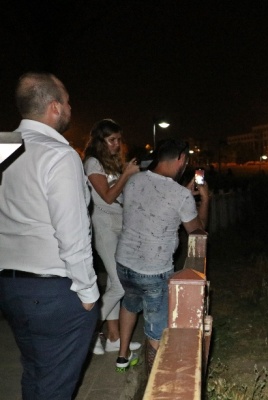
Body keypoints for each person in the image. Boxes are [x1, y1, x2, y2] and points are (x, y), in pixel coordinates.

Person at [0, 72, 100, 399]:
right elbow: (72, 231)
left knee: (36, 373)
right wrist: (88, 292)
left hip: (11, 287)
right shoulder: (60, 155)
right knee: (54, 386)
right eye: (68, 101)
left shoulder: (3, 146)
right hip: (55, 292)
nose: (71, 107)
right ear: (55, 108)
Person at [115, 139, 209, 373]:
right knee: (156, 332)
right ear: (181, 159)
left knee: (129, 303)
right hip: (153, 271)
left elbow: (150, 206)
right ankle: (155, 380)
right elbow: (197, 231)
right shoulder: (180, 195)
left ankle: (122, 355)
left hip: (124, 263)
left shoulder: (134, 180)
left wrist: (182, 196)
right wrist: (205, 200)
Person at [82, 119, 141, 355]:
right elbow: (106, 197)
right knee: (118, 284)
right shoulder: (92, 162)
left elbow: (117, 193)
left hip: (120, 224)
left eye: (119, 139)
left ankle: (114, 339)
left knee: (120, 282)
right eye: (112, 140)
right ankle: (88, 330)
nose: (117, 144)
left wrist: (127, 177)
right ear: (100, 140)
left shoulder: (111, 162)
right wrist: (126, 175)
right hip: (104, 227)